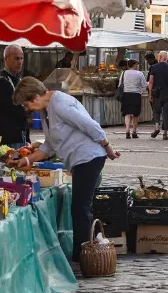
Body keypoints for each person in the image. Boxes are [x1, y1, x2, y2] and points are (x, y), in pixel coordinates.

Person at [12, 77, 120, 262]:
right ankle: (86, 249)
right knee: (80, 206)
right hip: (80, 159)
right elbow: (50, 146)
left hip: (88, 157)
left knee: (80, 207)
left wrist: (107, 146)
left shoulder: (59, 104)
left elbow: (89, 125)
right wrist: (28, 159)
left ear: (35, 97)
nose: (27, 109)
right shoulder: (47, 111)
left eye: (26, 104)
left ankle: (83, 254)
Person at [0, 44, 29, 148]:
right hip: (8, 137)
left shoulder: (18, 79)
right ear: (6, 59)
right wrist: (28, 108)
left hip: (22, 134)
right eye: (16, 58)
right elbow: (14, 107)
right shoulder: (1, 80)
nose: (20, 62)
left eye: (22, 58)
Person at [148, 51, 168, 140]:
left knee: (156, 111)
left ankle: (156, 127)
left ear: (159, 57)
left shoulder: (154, 67)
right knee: (166, 112)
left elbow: (151, 82)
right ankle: (165, 133)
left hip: (157, 93)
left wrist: (150, 94)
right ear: (166, 58)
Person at [121, 59, 147, 139]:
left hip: (126, 94)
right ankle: (134, 132)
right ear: (134, 65)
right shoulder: (140, 73)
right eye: (137, 64)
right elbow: (144, 85)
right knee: (135, 114)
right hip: (136, 95)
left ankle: (127, 130)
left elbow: (120, 84)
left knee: (127, 113)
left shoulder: (123, 73)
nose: (137, 66)